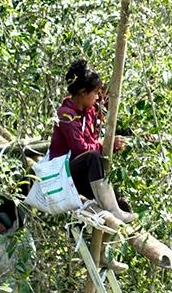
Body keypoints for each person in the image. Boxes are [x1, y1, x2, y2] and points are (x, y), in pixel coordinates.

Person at [47, 59, 136, 223]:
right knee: (93, 156)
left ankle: (117, 213)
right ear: (82, 92)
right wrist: (105, 145)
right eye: (94, 93)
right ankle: (112, 210)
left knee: (122, 202)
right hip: (64, 175)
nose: (97, 97)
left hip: (85, 175)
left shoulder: (89, 109)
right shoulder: (65, 114)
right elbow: (80, 149)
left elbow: (108, 103)